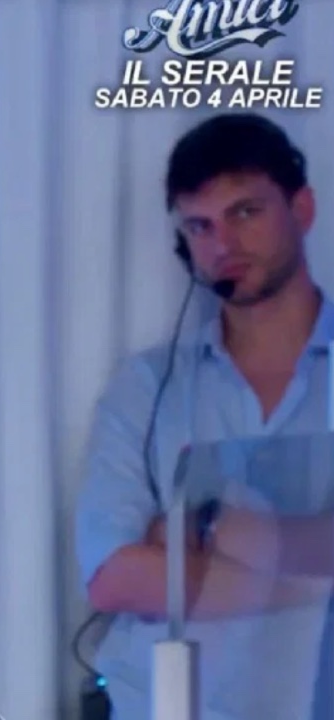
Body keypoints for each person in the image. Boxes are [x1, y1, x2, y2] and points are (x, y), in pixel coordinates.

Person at [75, 112, 334, 718]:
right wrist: (312, 583)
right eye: (200, 225)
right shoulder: (147, 388)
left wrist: (210, 528)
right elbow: (114, 576)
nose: (223, 243)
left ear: (301, 209)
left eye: (245, 212)